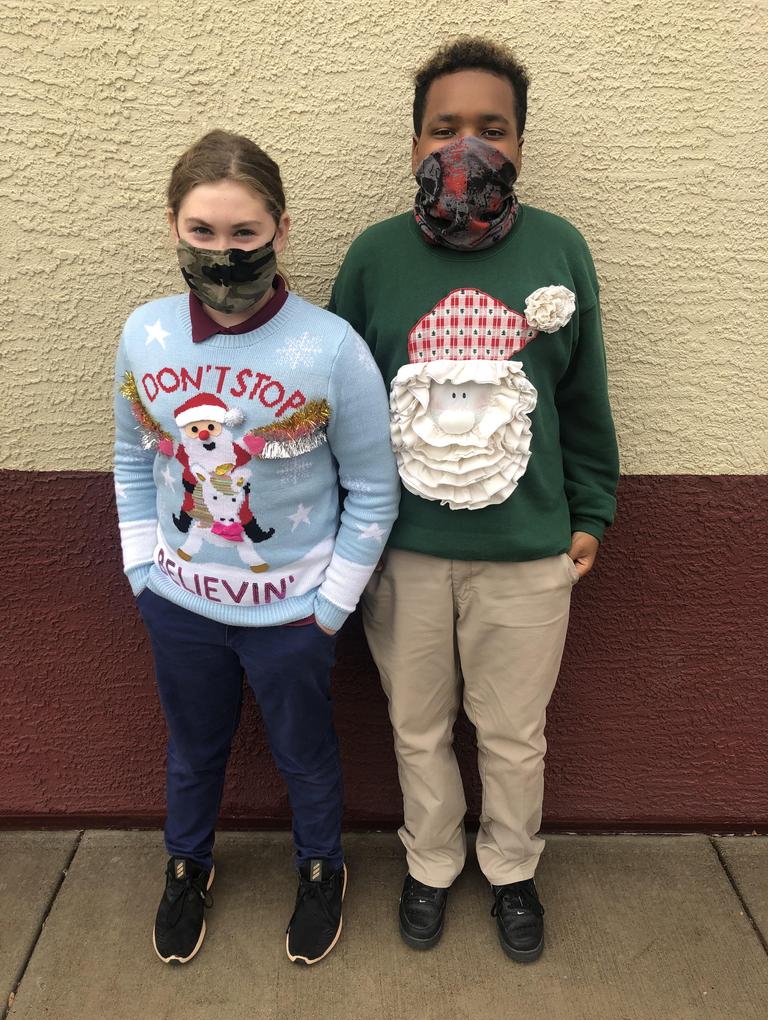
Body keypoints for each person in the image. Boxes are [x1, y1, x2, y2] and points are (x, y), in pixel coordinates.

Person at [329, 38, 619, 962]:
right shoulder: (374, 257)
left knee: (513, 733)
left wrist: (590, 511)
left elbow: (584, 397)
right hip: (402, 552)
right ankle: (430, 862)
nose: (467, 146)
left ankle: (511, 869)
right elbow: (342, 407)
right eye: (444, 127)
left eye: (492, 128)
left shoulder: (560, 248)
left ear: (521, 144)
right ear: (414, 142)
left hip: (528, 554)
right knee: (416, 727)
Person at [113, 129, 399, 966]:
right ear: (172, 226)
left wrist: (329, 607)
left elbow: (373, 489)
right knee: (193, 751)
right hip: (180, 606)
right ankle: (187, 864)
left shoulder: (332, 348)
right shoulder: (145, 335)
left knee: (304, 755)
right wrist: (141, 569)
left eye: (245, 232)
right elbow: (134, 455)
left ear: (282, 229)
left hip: (292, 617)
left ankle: (321, 866)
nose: (225, 253)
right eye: (202, 231)